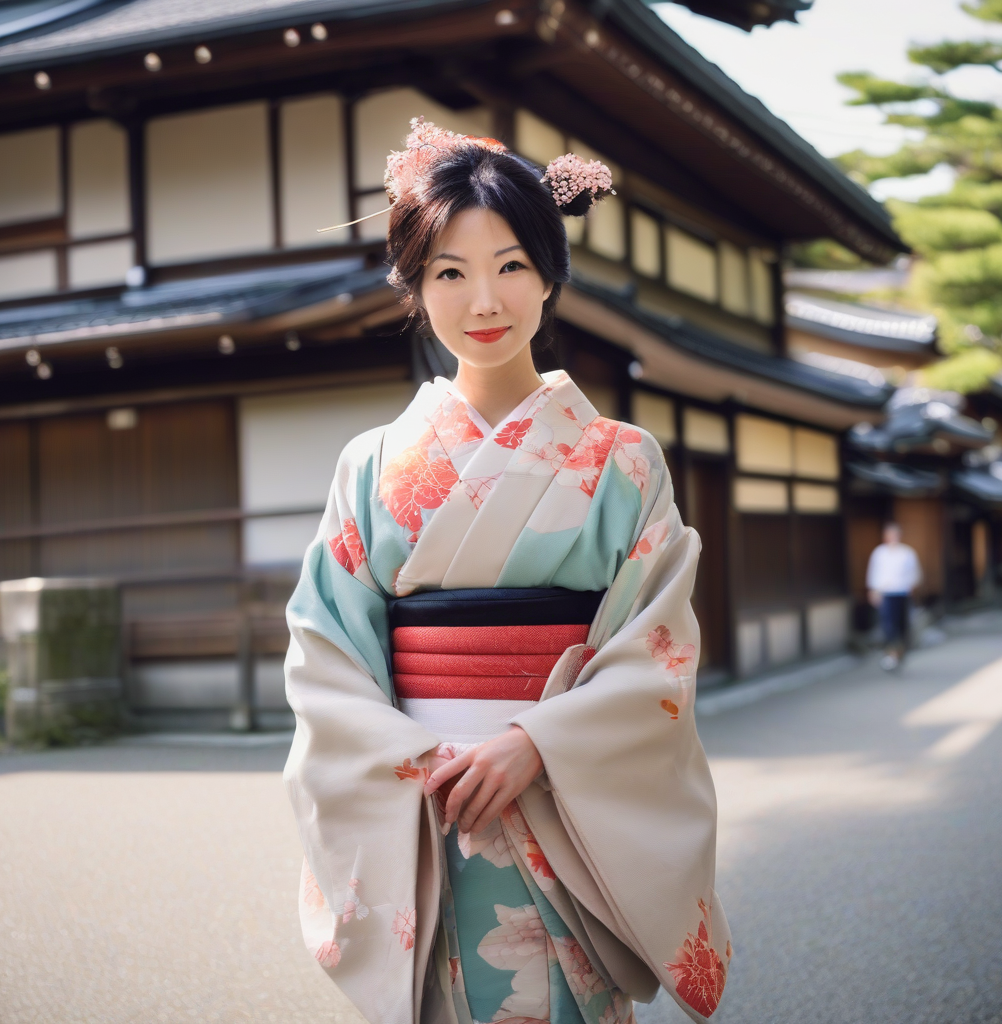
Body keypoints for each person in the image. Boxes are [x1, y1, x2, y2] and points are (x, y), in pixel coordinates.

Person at [283, 120, 730, 1024]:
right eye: (449, 272)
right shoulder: (370, 466)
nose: (484, 298)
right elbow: (326, 652)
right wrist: (416, 758)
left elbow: (657, 647)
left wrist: (539, 743)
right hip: (432, 802)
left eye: (512, 264)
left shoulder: (625, 462)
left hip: (565, 803)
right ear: (416, 288)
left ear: (552, 273)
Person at [867, 522, 922, 671]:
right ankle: (891, 653)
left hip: (902, 592)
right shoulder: (879, 553)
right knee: (888, 625)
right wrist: (873, 591)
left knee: (902, 625)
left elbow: (915, 573)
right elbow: (874, 573)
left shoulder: (907, 553)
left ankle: (901, 652)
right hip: (886, 593)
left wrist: (911, 585)